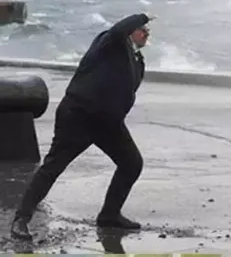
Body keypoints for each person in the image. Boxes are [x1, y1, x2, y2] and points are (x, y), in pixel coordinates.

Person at [11, 13, 155, 241]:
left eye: (148, 31)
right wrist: (143, 16)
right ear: (131, 30)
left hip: (107, 123)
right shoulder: (110, 42)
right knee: (53, 167)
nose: (146, 33)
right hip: (78, 116)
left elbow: (127, 92)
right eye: (142, 29)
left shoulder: (138, 61)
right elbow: (118, 30)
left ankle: (109, 215)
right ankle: (21, 220)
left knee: (131, 163)